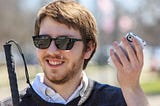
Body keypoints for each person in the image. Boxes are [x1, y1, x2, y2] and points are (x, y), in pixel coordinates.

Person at [1, 0, 149, 106]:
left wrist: (132, 88)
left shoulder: (121, 100)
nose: (52, 50)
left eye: (64, 42)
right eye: (43, 40)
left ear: (88, 48)